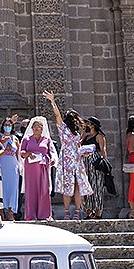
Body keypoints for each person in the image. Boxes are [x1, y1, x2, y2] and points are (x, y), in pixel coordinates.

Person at [45, 92, 89, 220]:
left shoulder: (77, 133)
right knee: (67, 186)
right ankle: (67, 212)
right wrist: (53, 102)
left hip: (76, 159)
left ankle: (77, 212)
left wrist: (84, 152)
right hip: (66, 159)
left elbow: (78, 146)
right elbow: (57, 115)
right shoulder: (62, 128)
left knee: (77, 185)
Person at [19, 115, 54, 221]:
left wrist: (52, 159)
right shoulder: (27, 139)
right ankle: (31, 215)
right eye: (34, 126)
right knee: (31, 190)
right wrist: (28, 154)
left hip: (43, 168)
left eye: (39, 126)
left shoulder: (46, 140)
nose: (36, 128)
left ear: (43, 129)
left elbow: (51, 152)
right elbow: (22, 151)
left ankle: (44, 214)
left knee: (44, 190)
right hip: (30, 168)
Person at [80, 117, 109, 219]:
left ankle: (98, 213)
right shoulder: (86, 137)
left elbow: (103, 150)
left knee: (97, 187)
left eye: (88, 123)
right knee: (87, 187)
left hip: (95, 163)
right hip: (85, 164)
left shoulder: (99, 136)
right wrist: (82, 132)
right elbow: (77, 145)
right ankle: (89, 211)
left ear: (92, 125)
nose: (86, 125)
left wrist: (104, 163)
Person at [0, 117, 20, 221]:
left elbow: (18, 154)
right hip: (2, 164)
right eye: (6, 125)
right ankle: (1, 212)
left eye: (9, 125)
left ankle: (11, 212)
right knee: (1, 187)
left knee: (13, 188)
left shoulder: (15, 139)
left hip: (13, 165)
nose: (7, 127)